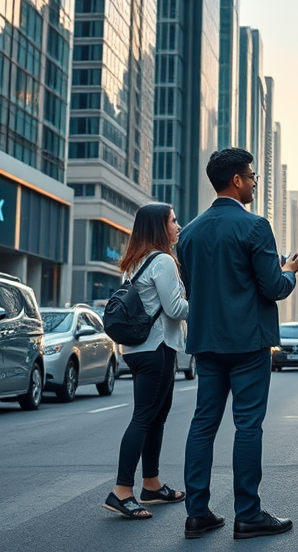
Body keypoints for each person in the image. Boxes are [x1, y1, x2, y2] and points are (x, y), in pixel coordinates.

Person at [176, 148, 298, 540]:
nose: (253, 182)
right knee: (248, 426)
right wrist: (289, 271)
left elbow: (195, 288)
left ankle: (197, 514)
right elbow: (274, 287)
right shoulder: (255, 227)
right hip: (248, 342)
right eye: (251, 176)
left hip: (206, 342)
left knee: (202, 425)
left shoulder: (189, 233)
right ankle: (248, 514)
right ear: (236, 180)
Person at [103, 203, 190, 520]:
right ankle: (122, 490)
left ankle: (151, 484)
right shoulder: (164, 261)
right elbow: (175, 309)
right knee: (144, 417)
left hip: (137, 350)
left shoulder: (134, 262)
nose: (178, 226)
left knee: (155, 416)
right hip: (158, 349)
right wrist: (202, 307)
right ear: (159, 227)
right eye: (173, 221)